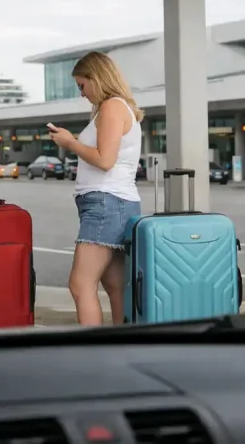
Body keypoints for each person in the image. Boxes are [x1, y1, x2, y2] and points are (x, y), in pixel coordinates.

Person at [48, 51, 143, 326]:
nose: (82, 93)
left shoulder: (113, 106)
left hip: (106, 203)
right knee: (115, 285)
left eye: (82, 85)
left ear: (97, 78)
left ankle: (95, 352)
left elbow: (104, 160)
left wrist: (70, 142)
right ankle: (120, 348)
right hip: (113, 202)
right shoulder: (115, 107)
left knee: (80, 284)